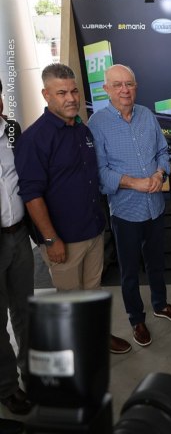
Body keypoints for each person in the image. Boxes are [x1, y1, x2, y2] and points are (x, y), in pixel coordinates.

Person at [14, 63, 131, 356]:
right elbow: (31, 194)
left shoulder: (82, 130)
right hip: (63, 239)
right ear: (46, 95)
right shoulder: (34, 139)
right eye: (61, 93)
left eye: (74, 91)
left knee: (92, 292)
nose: (70, 98)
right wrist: (50, 239)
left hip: (92, 230)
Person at [88, 64, 171, 347]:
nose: (124, 90)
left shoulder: (146, 115)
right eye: (117, 85)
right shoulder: (97, 124)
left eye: (129, 84)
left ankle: (160, 304)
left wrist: (159, 173)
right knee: (129, 271)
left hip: (155, 207)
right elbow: (100, 172)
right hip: (125, 212)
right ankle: (136, 319)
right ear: (106, 89)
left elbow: (162, 151)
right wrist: (134, 183)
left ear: (136, 87)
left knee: (156, 263)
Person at [0, 78, 33, 419]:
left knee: (24, 311)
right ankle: (8, 387)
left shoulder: (12, 131)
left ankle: (32, 374)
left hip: (20, 235)